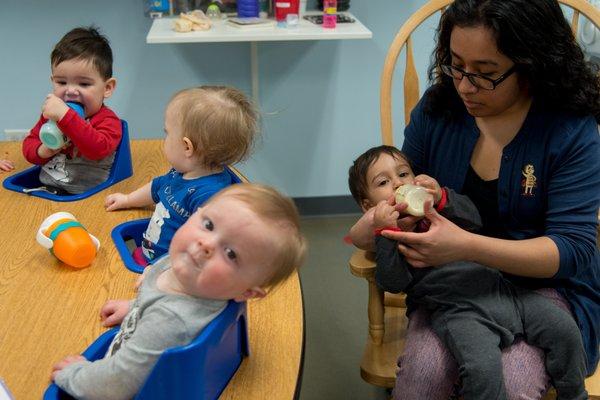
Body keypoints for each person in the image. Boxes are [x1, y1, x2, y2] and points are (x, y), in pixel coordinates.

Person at [357, 1, 600, 399]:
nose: (465, 85)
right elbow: (399, 196)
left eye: (486, 74)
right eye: (456, 65)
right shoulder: (439, 109)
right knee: (425, 376)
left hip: (542, 287)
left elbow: (571, 250)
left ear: (533, 64)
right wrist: (389, 220)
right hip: (453, 288)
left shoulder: (568, 126)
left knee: (512, 383)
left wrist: (464, 246)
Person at [348, 145, 588, 400]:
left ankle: (573, 395)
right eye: (384, 182)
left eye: (404, 174)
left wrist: (441, 197)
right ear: (368, 206)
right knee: (483, 369)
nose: (398, 183)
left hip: (501, 291)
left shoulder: (436, 208)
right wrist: (385, 233)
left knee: (564, 329)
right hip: (460, 311)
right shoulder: (392, 237)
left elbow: (475, 219)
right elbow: (392, 282)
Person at [51, 183, 307, 400]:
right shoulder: (188, 272)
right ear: (197, 212)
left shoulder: (168, 322)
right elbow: (164, 301)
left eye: (231, 254)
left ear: (248, 292)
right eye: (208, 224)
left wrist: (75, 374)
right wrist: (136, 307)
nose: (205, 244)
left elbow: (116, 384)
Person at [105, 86, 258, 265]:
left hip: (169, 272)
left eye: (167, 133)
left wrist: (165, 275)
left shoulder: (209, 197)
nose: (165, 139)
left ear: (187, 147)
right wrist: (127, 199)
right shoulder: (182, 172)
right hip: (147, 255)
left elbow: (202, 251)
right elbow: (158, 186)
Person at [22, 26, 121, 194]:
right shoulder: (52, 117)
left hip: (90, 196)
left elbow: (97, 150)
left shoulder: (108, 121)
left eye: (84, 84)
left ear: (107, 88)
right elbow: (28, 147)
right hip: (48, 191)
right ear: (52, 81)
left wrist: (66, 117)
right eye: (61, 82)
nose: (71, 91)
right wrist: (43, 150)